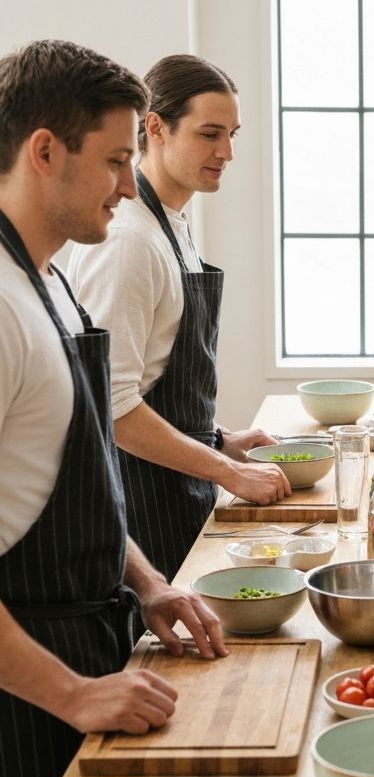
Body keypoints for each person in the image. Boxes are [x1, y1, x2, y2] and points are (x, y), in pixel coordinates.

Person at [0, 39, 229, 777]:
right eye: (115, 160)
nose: (130, 187)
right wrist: (69, 691)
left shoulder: (50, 278)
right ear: (44, 151)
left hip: (93, 637)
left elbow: (78, 469)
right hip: (28, 688)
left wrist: (147, 580)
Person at [69, 55, 289, 582]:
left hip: (178, 486)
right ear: (156, 128)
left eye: (232, 134)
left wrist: (216, 438)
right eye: (210, 133)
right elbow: (114, 405)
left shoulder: (170, 225)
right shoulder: (127, 241)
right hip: (140, 502)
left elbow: (152, 370)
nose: (227, 152)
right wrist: (228, 470)